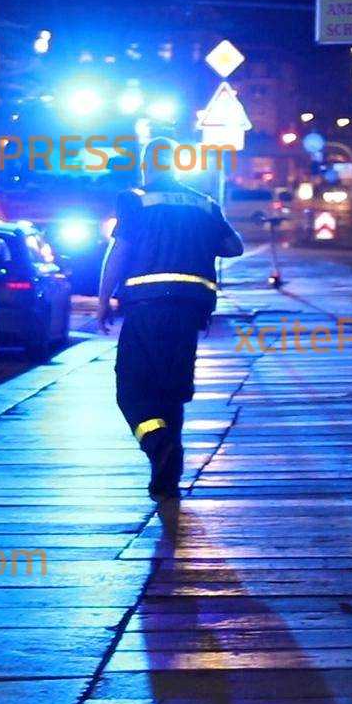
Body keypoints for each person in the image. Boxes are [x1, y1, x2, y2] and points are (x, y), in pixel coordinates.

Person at [96, 138, 245, 525]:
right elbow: (234, 247)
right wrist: (197, 238)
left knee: (132, 390)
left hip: (147, 309)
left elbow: (120, 252)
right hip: (189, 311)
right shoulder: (202, 203)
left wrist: (103, 299)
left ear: (147, 165)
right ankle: (167, 480)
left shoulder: (134, 199)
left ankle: (158, 443)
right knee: (171, 392)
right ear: (177, 165)